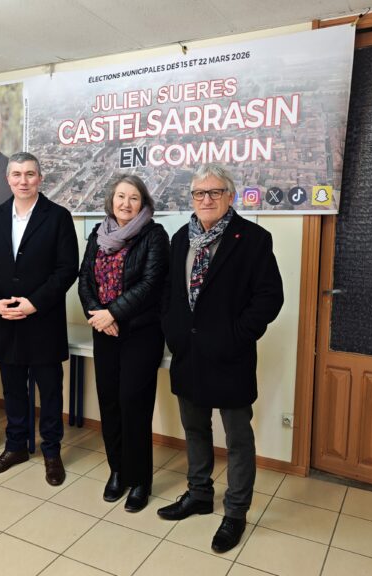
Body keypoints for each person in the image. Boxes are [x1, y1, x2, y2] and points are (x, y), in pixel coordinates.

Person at [157, 164, 283, 553]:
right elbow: (169, 294)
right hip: (188, 354)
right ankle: (198, 494)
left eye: (215, 192)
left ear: (230, 196)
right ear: (191, 198)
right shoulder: (181, 238)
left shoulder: (254, 239)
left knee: (238, 438)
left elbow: (269, 298)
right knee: (194, 430)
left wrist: (236, 336)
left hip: (230, 356)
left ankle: (235, 512)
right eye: (199, 193)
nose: (206, 200)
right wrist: (174, 332)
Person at [0, 151, 79, 485]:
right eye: (17, 174)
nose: (23, 180)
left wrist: (34, 303)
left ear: (40, 178)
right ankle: (16, 446)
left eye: (30, 174)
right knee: (14, 388)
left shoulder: (58, 216)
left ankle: (51, 451)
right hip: (5, 319)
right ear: (8, 179)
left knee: (49, 390)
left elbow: (66, 270)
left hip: (43, 319)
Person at [78, 175, 169, 512]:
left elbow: (150, 284)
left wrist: (112, 313)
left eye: (133, 198)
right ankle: (117, 470)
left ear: (143, 203)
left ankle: (140, 479)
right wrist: (99, 314)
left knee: (134, 404)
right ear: (111, 200)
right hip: (104, 332)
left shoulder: (154, 236)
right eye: (120, 196)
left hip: (141, 332)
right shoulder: (98, 235)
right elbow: (84, 278)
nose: (125, 203)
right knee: (110, 403)